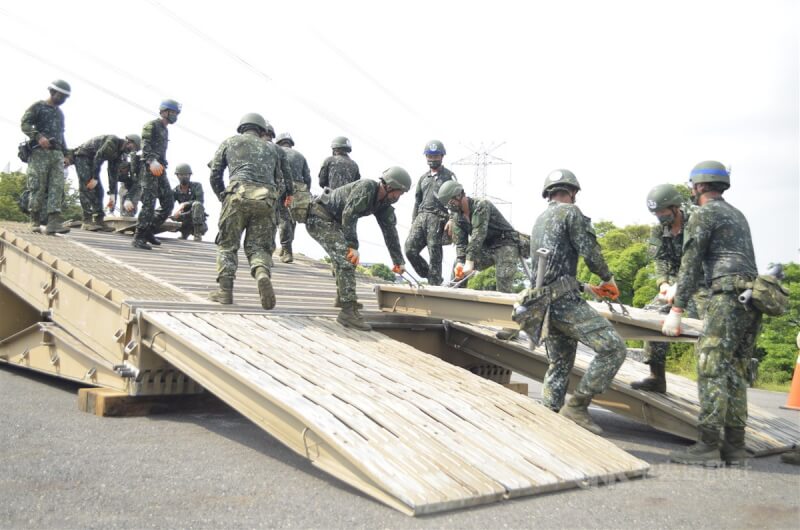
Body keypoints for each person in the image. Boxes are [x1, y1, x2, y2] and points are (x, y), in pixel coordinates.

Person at [662, 161, 761, 466]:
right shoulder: (737, 214)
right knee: (735, 371)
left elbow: (691, 263)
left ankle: (707, 445)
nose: (691, 191)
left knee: (711, 366)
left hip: (727, 297)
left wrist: (676, 309)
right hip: (752, 299)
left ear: (700, 186)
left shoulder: (704, 214)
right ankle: (735, 446)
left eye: (692, 186)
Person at [525, 169, 627, 435]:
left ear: (549, 193)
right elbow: (590, 252)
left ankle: (549, 420)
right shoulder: (572, 213)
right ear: (573, 192)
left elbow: (551, 267)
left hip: (545, 303)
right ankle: (578, 406)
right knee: (614, 348)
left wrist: (585, 287)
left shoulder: (540, 219)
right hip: (563, 302)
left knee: (559, 364)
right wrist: (608, 279)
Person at [306, 167, 410, 331]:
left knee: (347, 260)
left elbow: (390, 231)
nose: (399, 196)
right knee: (347, 258)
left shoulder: (383, 203)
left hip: (332, 222)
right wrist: (352, 246)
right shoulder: (367, 188)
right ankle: (347, 312)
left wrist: (398, 261)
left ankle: (343, 299)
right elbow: (349, 214)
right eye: (399, 192)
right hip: (319, 217)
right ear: (390, 186)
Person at [207, 113, 292, 310]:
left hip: (236, 196)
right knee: (260, 247)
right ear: (262, 130)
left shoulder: (229, 142)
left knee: (227, 245)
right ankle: (262, 273)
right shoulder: (275, 149)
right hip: (266, 200)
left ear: (242, 127)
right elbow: (287, 180)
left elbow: (214, 173)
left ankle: (225, 292)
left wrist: (222, 195)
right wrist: (284, 196)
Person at [631, 184, 709, 393]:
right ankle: (656, 377)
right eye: (656, 213)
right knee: (652, 316)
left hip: (703, 283)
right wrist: (664, 284)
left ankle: (709, 385)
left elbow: (701, 260)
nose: (660, 217)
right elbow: (661, 260)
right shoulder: (660, 229)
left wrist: (679, 285)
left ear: (675, 207)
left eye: (663, 212)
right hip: (674, 283)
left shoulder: (697, 222)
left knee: (710, 327)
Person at [436, 180, 524, 292]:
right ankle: (454, 298)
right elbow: (461, 243)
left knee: (503, 285)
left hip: (506, 243)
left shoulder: (481, 205)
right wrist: (460, 261)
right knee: (458, 266)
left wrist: (469, 261)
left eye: (451, 202)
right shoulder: (457, 216)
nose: (450, 207)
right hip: (487, 247)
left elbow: (478, 234)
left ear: (459, 195)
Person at [126, 99, 180, 250]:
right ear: (164, 111)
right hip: (149, 167)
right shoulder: (152, 125)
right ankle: (139, 237)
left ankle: (149, 229)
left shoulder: (165, 129)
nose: (175, 116)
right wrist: (151, 161)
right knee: (149, 203)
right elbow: (146, 145)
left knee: (168, 202)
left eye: (176, 113)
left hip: (160, 168)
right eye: (172, 112)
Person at [20, 79, 72, 235]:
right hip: (39, 153)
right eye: (60, 95)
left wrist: (66, 154)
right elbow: (25, 124)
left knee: (57, 187)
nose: (62, 99)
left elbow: (61, 135)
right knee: (38, 187)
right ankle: (34, 220)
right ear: (52, 92)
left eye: (65, 97)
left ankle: (53, 223)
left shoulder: (59, 113)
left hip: (56, 154)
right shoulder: (38, 107)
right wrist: (38, 137)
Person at [404, 140, 455, 286]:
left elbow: (457, 199)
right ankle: (430, 275)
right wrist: (413, 222)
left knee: (435, 253)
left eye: (436, 156)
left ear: (442, 157)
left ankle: (434, 283)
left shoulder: (449, 176)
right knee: (409, 249)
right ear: (426, 157)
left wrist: (452, 219)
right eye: (430, 156)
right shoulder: (423, 178)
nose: (433, 159)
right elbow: (416, 201)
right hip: (421, 216)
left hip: (438, 217)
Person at [72, 133, 141, 231]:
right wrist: (95, 178)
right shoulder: (112, 142)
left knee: (99, 191)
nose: (132, 151)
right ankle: (87, 221)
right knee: (87, 188)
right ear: (129, 141)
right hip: (83, 157)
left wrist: (112, 194)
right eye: (134, 148)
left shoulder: (119, 153)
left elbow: (112, 172)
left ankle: (99, 220)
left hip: (93, 162)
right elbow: (98, 157)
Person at [275, 132, 311, 263]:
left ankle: (287, 250)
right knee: (291, 219)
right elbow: (307, 177)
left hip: (281, 186)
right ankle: (286, 248)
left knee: (281, 218)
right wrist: (306, 193)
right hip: (299, 189)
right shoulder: (300, 156)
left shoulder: (276, 151)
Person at [170, 163, 207, 241]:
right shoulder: (175, 190)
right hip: (183, 217)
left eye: (186, 175)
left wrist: (185, 204)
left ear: (190, 175)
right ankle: (184, 233)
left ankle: (197, 234)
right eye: (181, 175)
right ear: (177, 176)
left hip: (196, 216)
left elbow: (200, 201)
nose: (184, 177)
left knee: (197, 205)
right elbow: (168, 204)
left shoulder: (197, 186)